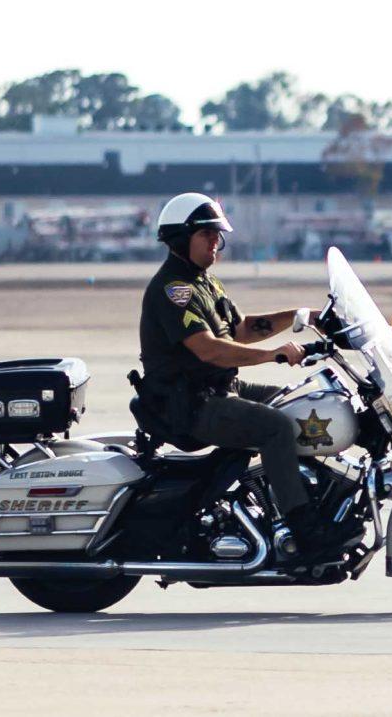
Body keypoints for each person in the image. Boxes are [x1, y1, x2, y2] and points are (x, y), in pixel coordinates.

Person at [137, 192, 345, 565]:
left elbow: (242, 328)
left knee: (297, 403)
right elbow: (210, 349)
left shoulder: (205, 283)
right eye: (208, 235)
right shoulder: (173, 290)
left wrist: (306, 316)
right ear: (183, 238)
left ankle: (306, 496)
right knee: (277, 427)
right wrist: (274, 353)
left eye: (218, 235)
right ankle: (305, 530)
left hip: (220, 389)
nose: (217, 243)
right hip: (191, 404)